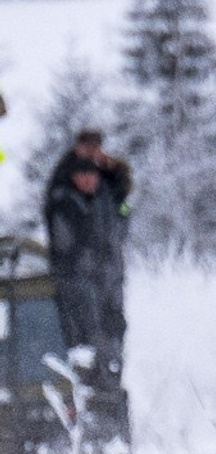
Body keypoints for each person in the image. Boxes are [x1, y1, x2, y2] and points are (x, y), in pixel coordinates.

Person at [43, 128, 133, 382]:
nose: (93, 151)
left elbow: (122, 207)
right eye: (88, 145)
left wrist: (117, 175)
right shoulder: (64, 187)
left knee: (113, 331)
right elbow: (64, 237)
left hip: (109, 274)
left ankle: (110, 379)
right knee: (85, 335)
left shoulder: (106, 180)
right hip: (79, 277)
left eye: (97, 145)